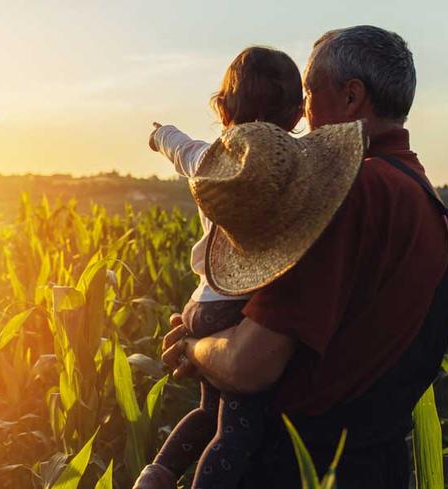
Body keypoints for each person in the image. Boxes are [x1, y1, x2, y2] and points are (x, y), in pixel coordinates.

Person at [160, 25, 448, 488]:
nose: (301, 112)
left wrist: (195, 349)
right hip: (374, 464)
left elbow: (250, 364)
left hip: (302, 465)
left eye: (309, 91)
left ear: (350, 98)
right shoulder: (428, 201)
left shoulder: (346, 196)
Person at [136, 46, 305, 489]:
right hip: (238, 308)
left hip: (201, 304)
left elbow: (178, 147)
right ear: (298, 114)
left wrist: (160, 134)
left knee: (207, 412)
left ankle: (157, 475)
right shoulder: (292, 173)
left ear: (223, 108)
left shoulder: (208, 159)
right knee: (237, 430)